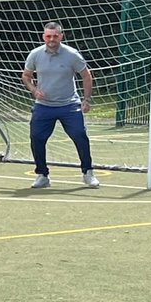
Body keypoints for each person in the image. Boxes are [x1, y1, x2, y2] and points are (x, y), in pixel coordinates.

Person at [22, 22, 100, 188]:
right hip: (43, 105)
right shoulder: (35, 55)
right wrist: (34, 90)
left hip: (69, 105)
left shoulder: (72, 54)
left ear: (61, 36)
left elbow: (86, 76)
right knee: (36, 138)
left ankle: (88, 172)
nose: (51, 39)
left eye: (55, 36)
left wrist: (86, 100)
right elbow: (26, 76)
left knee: (80, 136)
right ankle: (42, 175)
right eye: (48, 36)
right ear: (43, 37)